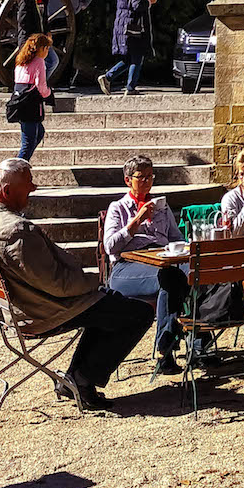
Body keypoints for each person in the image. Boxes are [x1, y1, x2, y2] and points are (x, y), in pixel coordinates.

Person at [0, 157, 152, 410]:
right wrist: (93, 282)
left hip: (30, 305)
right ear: (7, 192)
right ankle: (81, 379)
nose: (34, 188)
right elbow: (58, 285)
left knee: (109, 305)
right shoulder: (15, 230)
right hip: (44, 311)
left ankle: (77, 378)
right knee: (138, 313)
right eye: (28, 184)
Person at [103, 154, 194, 375]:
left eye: (150, 176)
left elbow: (175, 237)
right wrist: (136, 222)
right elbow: (110, 247)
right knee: (170, 277)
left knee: (191, 272)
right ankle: (168, 349)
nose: (147, 181)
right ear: (128, 180)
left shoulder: (161, 206)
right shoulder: (118, 208)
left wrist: (188, 246)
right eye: (141, 177)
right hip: (127, 268)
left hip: (162, 262)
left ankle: (193, 342)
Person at [99, 0, 155, 95]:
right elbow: (136, 5)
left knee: (128, 58)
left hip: (121, 26)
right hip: (133, 27)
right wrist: (149, 2)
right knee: (137, 56)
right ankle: (130, 88)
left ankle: (108, 77)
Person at [11, 32, 53, 162]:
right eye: (47, 49)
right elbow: (40, 85)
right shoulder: (39, 62)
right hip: (31, 104)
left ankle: (22, 163)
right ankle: (17, 168)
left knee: (39, 132)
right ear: (43, 48)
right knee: (28, 143)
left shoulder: (21, 61)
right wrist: (49, 93)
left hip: (19, 101)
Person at [15, 0, 59, 81]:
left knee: (53, 61)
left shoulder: (44, 0)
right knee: (31, 66)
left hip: (42, 39)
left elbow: (44, 19)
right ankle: (35, 86)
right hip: (30, 41)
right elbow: (23, 22)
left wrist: (47, 31)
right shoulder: (26, 1)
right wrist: (34, 39)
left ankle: (40, 83)